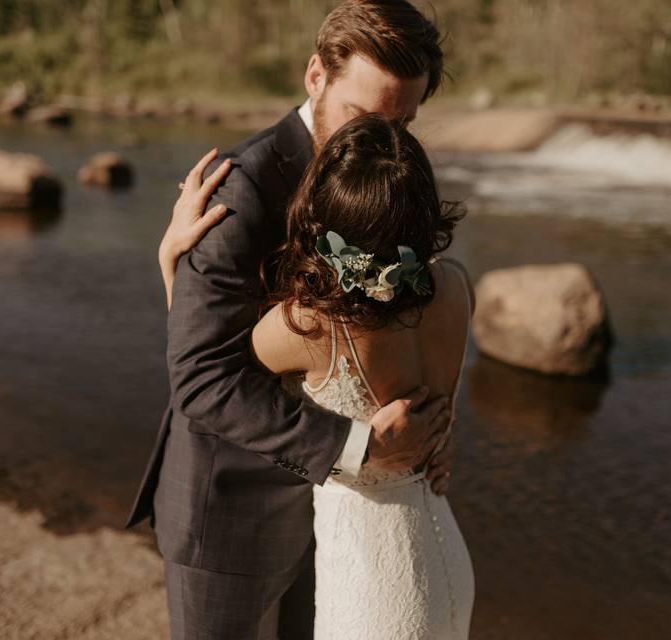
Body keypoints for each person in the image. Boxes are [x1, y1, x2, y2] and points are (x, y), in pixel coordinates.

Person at [125, 2, 456, 638]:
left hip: (344, 519)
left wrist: (435, 430)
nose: (383, 141)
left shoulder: (392, 174)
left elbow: (400, 321)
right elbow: (199, 376)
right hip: (232, 513)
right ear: (315, 76)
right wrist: (360, 447)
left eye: (404, 122)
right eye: (365, 116)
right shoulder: (239, 189)